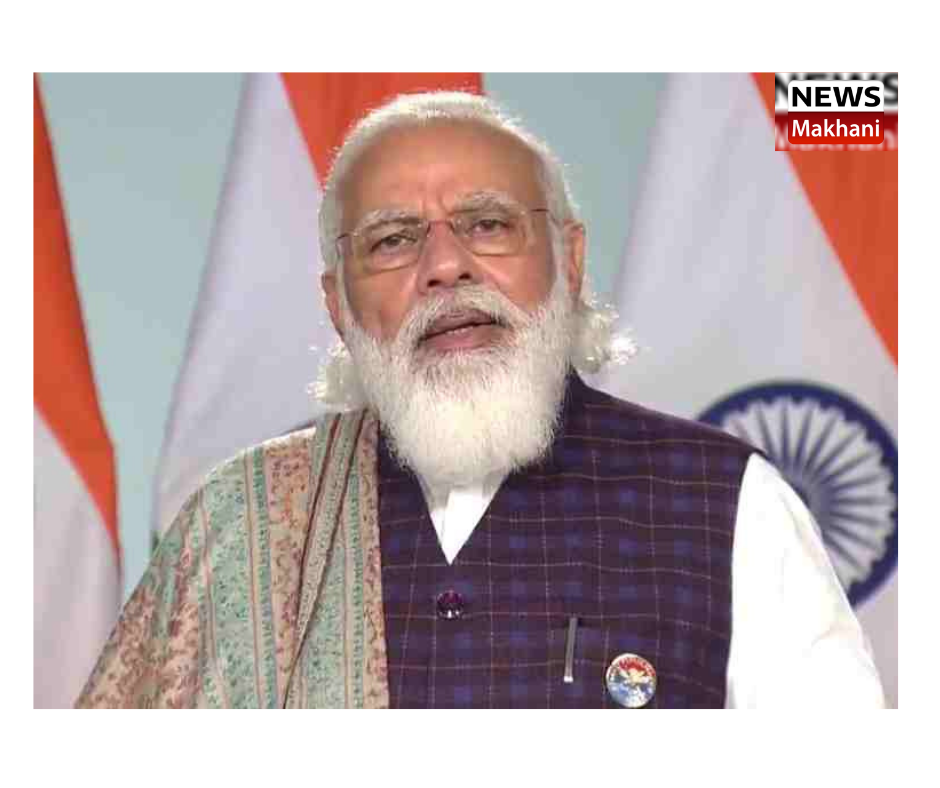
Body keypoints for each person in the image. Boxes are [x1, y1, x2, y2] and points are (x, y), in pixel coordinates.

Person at [77, 91, 884, 708]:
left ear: (569, 259)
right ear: (338, 304)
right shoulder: (243, 519)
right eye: (394, 240)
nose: (445, 266)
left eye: (488, 225)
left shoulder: (722, 499)